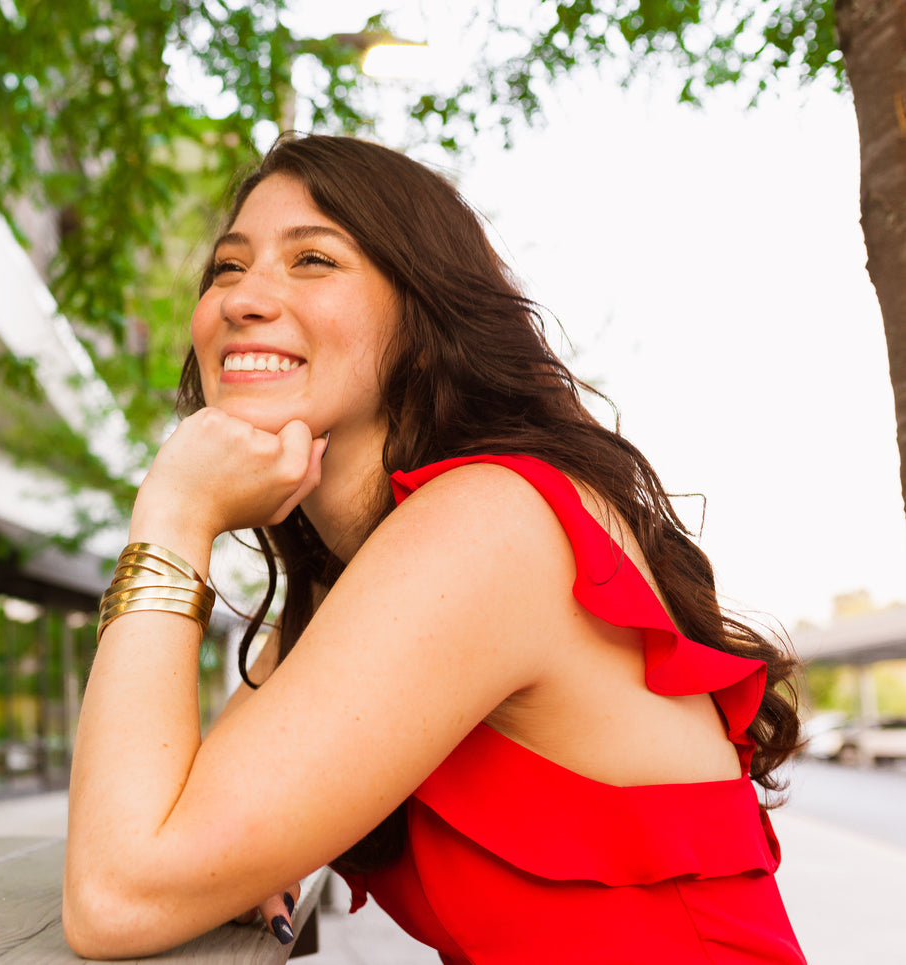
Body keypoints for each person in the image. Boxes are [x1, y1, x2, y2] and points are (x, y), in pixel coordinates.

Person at [61, 134, 805, 964]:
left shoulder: (487, 524)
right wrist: (216, 862)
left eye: (312, 260)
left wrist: (170, 513)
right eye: (227, 268)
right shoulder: (369, 571)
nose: (242, 298)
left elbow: (118, 892)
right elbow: (162, 824)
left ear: (421, 319)